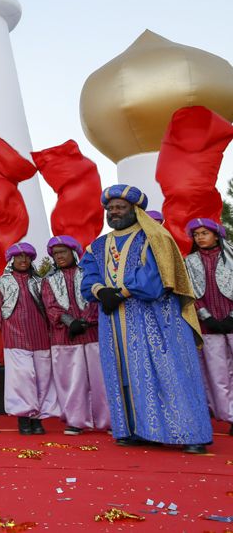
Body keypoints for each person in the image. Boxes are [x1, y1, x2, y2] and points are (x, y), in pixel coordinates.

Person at [79, 185, 212, 454]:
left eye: (120, 207)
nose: (114, 212)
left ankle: (188, 432)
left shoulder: (154, 237)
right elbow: (87, 279)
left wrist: (122, 292)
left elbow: (155, 279)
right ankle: (135, 430)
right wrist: (101, 291)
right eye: (110, 208)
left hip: (155, 318)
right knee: (124, 375)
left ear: (135, 209)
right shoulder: (97, 246)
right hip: (114, 320)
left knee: (167, 371)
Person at [42, 236, 109, 436]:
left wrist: (86, 321)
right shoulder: (48, 280)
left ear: (73, 253)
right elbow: (50, 305)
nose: (59, 256)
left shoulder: (90, 274)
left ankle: (107, 420)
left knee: (101, 379)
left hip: (93, 334)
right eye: (55, 254)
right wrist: (70, 322)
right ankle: (76, 421)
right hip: (65, 337)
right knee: (71, 381)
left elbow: (96, 300)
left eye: (63, 252)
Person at [0, 242, 58, 436]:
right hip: (15, 337)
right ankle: (24, 417)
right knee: (22, 378)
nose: (23, 260)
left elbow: (49, 308)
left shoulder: (40, 282)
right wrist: (9, 328)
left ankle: (37, 418)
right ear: (11, 260)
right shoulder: (1, 282)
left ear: (31, 259)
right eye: (19, 256)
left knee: (42, 378)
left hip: (40, 336)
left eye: (27, 257)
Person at [183, 217, 233, 435]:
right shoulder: (190, 261)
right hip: (209, 326)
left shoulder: (231, 257)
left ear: (216, 235)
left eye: (204, 233)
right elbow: (191, 293)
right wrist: (206, 317)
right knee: (218, 373)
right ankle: (230, 416)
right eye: (196, 234)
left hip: (231, 321)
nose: (200, 237)